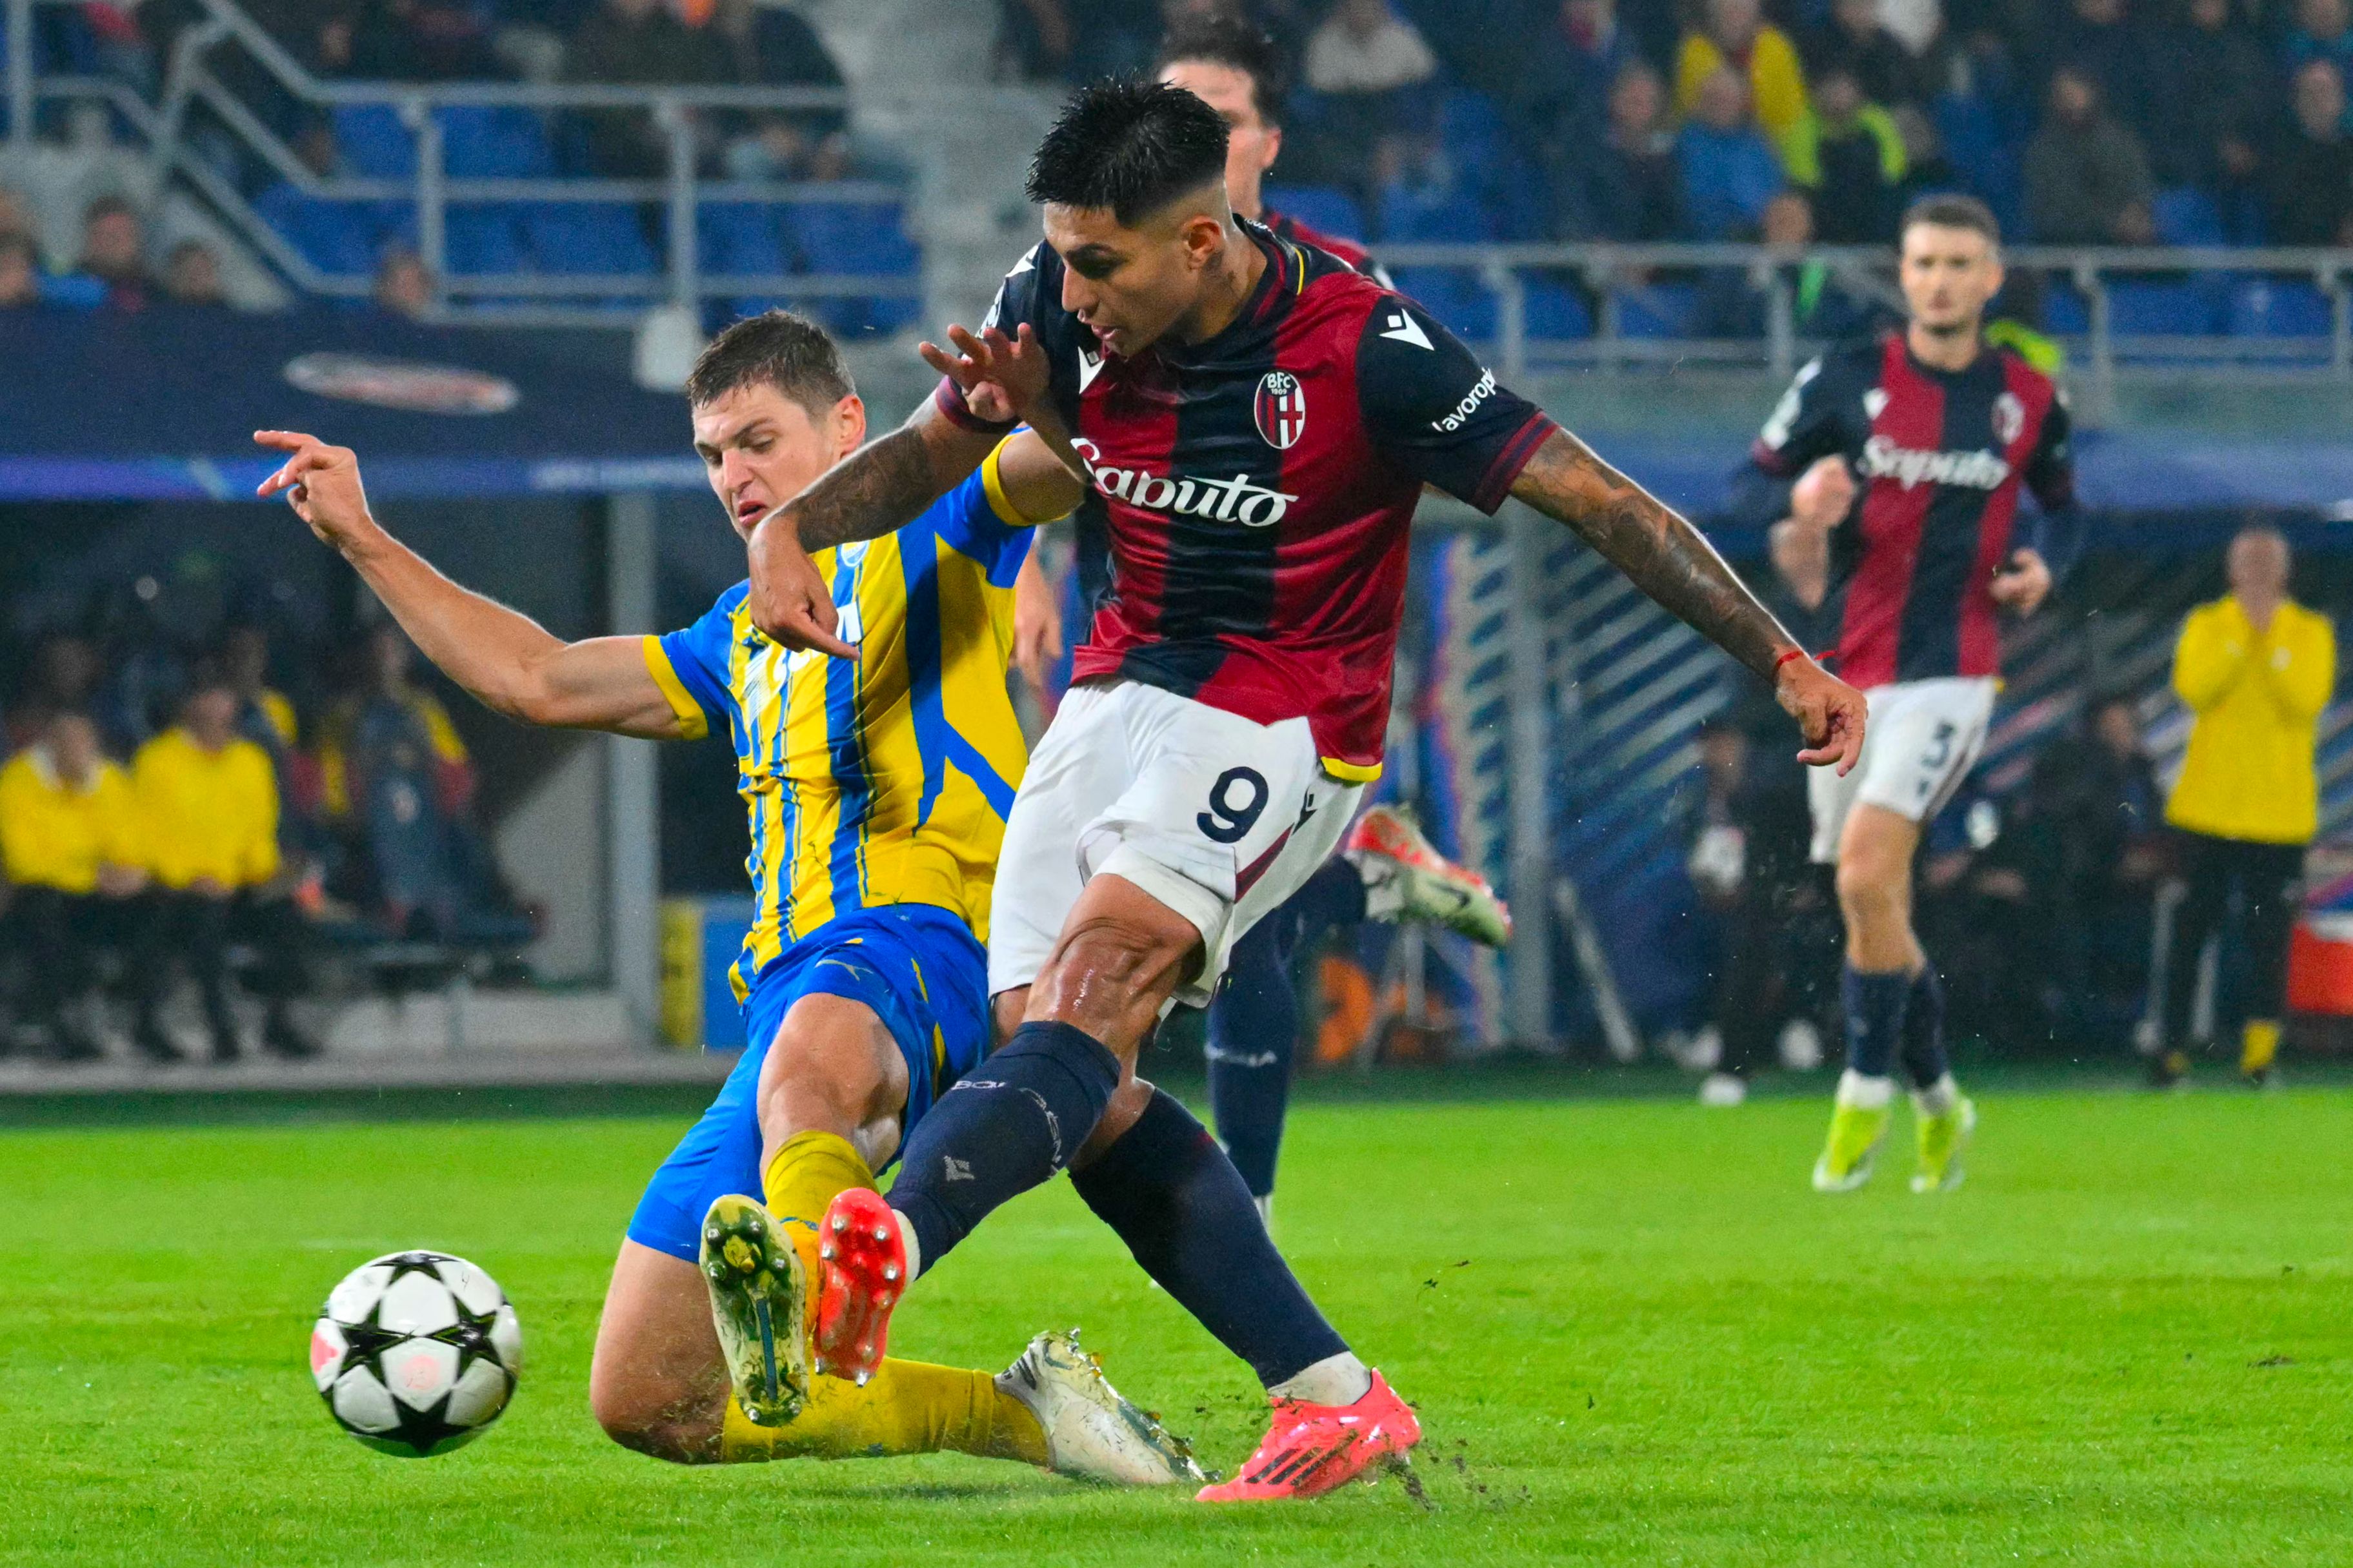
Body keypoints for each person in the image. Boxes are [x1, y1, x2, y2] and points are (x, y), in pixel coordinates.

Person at [739, 78, 1863, 1500]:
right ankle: (1331, 1398)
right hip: (1112, 691)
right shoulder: (1058, 296)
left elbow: (1604, 504)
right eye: (1061, 256)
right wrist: (793, 524)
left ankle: (878, 1253)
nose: (1070, 291)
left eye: (1102, 265)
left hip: (1283, 714)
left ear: (1202, 242)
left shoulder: (1367, 347)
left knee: (1095, 989)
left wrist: (1779, 658)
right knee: (1060, 1072)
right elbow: (932, 448)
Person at [250, 310, 1199, 1485]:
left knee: (818, 1049)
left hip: (931, 943)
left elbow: (1057, 462)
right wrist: (363, 539)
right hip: (794, 1001)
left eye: (757, 440)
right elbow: (536, 679)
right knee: (651, 1399)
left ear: (848, 425)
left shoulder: (942, 527)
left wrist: (1057, 387)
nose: (733, 477)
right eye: (711, 454)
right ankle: (1019, 1413)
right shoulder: (734, 632)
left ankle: (810, 1274)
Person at [1740, 194, 2079, 1195]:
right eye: (1922, 262)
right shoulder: (1842, 377)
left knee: (1860, 873)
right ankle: (1939, 1099)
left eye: (1956, 263)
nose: (1937, 279)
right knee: (1873, 903)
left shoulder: (2025, 397)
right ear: (1902, 271)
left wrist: (2042, 567)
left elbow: (2064, 511)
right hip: (1842, 676)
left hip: (1952, 673)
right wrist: (1796, 499)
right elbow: (1745, 481)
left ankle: (1858, 1096)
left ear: (1989, 276)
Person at [2153, 526, 2336, 1088]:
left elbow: (2304, 698)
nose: (2256, 574)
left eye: (2266, 564)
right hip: (2205, 809)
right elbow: (2195, 688)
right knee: (2190, 933)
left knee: (2267, 938)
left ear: (2283, 572)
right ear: (2231, 571)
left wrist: (2268, 640)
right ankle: (2170, 1053)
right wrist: (2243, 639)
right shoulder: (2207, 626)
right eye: (2246, 563)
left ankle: (2259, 1058)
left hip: (2278, 815)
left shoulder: (2309, 631)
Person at [128, 677, 317, 1063]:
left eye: (225, 709)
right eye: (211, 708)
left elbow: (259, 831)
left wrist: (267, 874)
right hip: (181, 886)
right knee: (203, 922)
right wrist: (191, 876)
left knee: (287, 913)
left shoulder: (251, 761)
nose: (220, 719)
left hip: (238, 882)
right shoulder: (157, 761)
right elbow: (148, 834)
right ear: (190, 709)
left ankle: (278, 1022)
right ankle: (222, 1031)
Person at [0, 711, 146, 1061]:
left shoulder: (107, 780)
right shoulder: (19, 781)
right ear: (51, 745)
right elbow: (25, 862)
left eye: (84, 743)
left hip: (93, 891)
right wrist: (91, 873)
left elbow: (128, 845)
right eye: (69, 743)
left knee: (158, 907)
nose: (78, 751)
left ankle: (146, 1017)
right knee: (46, 910)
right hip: (37, 894)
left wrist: (126, 873)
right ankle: (62, 1021)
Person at [2022, 66, 2155, 246]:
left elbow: (2141, 187)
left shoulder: (2120, 142)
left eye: (2076, 91)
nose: (2072, 100)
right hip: (2067, 247)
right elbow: (2053, 210)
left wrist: (2137, 214)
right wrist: (2111, 223)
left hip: (2129, 245)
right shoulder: (2043, 151)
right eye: (2064, 94)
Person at [1675, 0, 1810, 170]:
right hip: (1709, 160)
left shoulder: (1776, 47)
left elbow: (1791, 118)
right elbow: (1696, 117)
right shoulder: (1694, 51)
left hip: (1777, 161)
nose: (1734, 7)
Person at [1676, 66, 1786, 241]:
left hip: (1759, 239)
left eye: (1728, 100)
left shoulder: (1758, 145)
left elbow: (1777, 194)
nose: (1722, 106)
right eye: (1715, 99)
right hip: (1706, 243)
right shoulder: (1688, 144)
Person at [2261, 61, 2353, 248]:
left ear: (2342, 99)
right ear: (2296, 102)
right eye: (2310, 93)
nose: (2318, 100)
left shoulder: (2349, 149)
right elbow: (2286, 210)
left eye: (2325, 91)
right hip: (2299, 257)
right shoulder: (2279, 154)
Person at [75, 195, 152, 310]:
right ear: (90, 241)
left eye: (122, 235)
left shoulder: (157, 298)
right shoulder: (67, 294)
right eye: (107, 236)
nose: (115, 243)